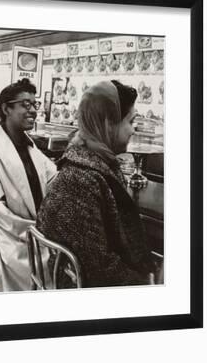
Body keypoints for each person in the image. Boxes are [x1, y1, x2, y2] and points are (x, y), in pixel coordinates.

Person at [37, 80, 155, 288]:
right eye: (130, 121)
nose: (132, 131)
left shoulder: (95, 164)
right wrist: (148, 285)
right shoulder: (80, 180)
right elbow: (96, 269)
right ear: (108, 123)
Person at [0, 78, 57, 292]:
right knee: (36, 263)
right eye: (25, 104)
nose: (33, 110)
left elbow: (52, 177)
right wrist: (34, 229)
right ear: (6, 108)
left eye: (34, 104)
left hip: (31, 227)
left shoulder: (28, 145)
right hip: (5, 231)